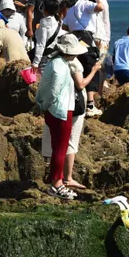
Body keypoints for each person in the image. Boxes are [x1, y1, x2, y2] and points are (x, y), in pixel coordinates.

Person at [35, 34, 91, 199]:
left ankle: (55, 181)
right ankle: (57, 184)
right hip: (61, 110)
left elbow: (44, 88)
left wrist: (42, 104)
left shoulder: (54, 62)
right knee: (61, 148)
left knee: (56, 148)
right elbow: (54, 90)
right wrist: (46, 105)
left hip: (53, 110)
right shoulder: (61, 66)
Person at [31, 0, 62, 74]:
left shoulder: (44, 24)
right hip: (55, 53)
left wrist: (35, 63)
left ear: (45, 9)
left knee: (43, 80)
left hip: (45, 56)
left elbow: (41, 44)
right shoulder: (58, 21)